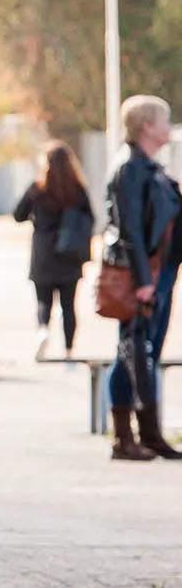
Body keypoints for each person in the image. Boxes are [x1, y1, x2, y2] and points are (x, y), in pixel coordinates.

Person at [104, 95, 182, 461]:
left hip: (159, 271)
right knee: (133, 350)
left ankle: (138, 435)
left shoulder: (149, 167)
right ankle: (135, 435)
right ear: (147, 126)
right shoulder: (131, 168)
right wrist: (143, 280)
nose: (169, 127)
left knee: (136, 352)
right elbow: (130, 226)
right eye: (164, 121)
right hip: (145, 274)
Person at [12, 141, 94, 361]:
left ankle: (42, 331)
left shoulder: (37, 189)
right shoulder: (77, 190)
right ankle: (68, 351)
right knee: (69, 305)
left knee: (43, 301)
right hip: (69, 253)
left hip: (43, 253)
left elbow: (18, 215)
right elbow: (91, 219)